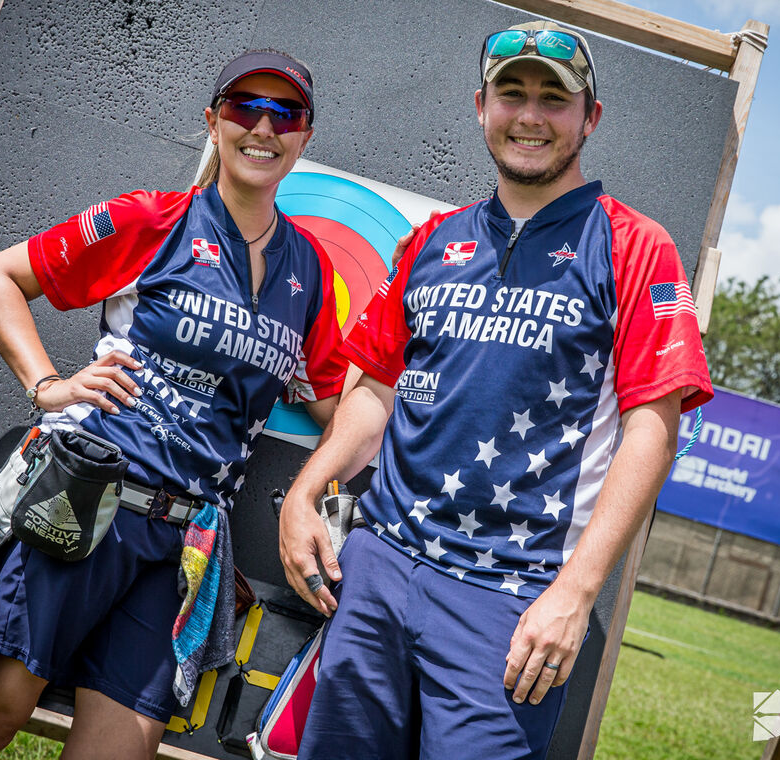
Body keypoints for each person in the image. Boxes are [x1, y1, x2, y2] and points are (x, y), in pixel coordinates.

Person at [278, 20, 714, 759]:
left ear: (590, 118)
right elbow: (376, 393)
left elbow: (653, 429)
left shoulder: (637, 246)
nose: (532, 115)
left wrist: (576, 594)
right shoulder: (430, 241)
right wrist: (303, 492)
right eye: (512, 93)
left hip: (514, 601)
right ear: (482, 106)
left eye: (555, 98)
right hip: (379, 569)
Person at [0, 49, 347, 760]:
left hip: (185, 546)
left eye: (286, 114)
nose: (263, 127)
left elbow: (345, 406)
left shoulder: (311, 269)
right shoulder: (153, 219)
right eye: (245, 108)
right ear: (213, 123)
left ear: (305, 136)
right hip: (84, 504)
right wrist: (46, 385)